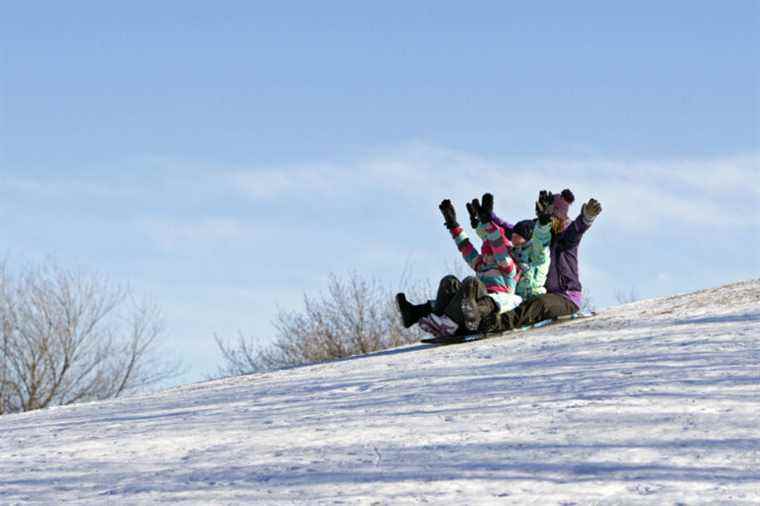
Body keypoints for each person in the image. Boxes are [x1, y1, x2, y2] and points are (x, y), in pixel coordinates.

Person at [396, 194, 522, 336]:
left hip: (486, 310)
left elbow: (498, 245)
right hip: (469, 307)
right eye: (484, 253)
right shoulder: (481, 265)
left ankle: (448, 324)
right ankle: (438, 320)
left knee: (471, 282)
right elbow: (465, 247)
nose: (485, 256)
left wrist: (487, 223)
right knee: (449, 281)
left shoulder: (507, 267)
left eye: (489, 253)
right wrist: (453, 225)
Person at [483, 189, 602, 332]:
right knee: (518, 300)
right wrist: (489, 217)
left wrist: (586, 218)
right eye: (548, 216)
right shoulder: (537, 232)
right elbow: (512, 230)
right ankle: (479, 318)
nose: (551, 220)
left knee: (539, 303)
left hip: (566, 298)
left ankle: (496, 324)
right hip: (541, 294)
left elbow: (575, 232)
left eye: (554, 217)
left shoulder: (564, 238)